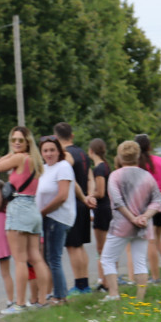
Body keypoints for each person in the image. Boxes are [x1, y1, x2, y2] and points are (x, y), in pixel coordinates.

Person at [100, 140, 161, 301]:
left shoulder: (115, 176)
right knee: (140, 261)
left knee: (107, 258)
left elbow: (117, 201)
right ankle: (140, 298)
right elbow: (157, 200)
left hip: (122, 225)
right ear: (138, 157)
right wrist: (145, 216)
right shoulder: (147, 176)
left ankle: (114, 294)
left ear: (120, 157)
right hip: (143, 225)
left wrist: (132, 218)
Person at [0, 126, 49, 313]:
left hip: (19, 207)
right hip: (33, 208)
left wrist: (10, 152)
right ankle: (42, 300)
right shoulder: (35, 161)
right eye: (13, 140)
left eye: (20, 140)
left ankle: (19, 304)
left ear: (27, 142)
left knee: (20, 260)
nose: (16, 143)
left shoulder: (19, 158)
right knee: (36, 257)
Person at [53, 122, 96, 295]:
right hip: (84, 202)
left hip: (73, 203)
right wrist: (90, 196)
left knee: (73, 247)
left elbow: (67, 177)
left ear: (56, 138)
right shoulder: (83, 154)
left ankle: (80, 285)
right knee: (80, 246)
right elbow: (90, 176)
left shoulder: (66, 156)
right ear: (72, 135)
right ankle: (84, 282)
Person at [36, 134, 76, 304]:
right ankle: (56, 293)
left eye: (52, 150)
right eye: (45, 150)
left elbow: (62, 196)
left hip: (57, 217)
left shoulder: (63, 166)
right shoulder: (44, 169)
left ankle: (60, 296)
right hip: (47, 218)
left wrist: (42, 212)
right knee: (49, 258)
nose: (49, 153)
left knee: (54, 258)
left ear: (59, 151)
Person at [135, 134, 161, 284]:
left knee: (151, 241)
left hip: (147, 204)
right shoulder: (160, 161)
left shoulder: (137, 165)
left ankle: (156, 277)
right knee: (157, 239)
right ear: (150, 146)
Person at [88, 139, 112, 291]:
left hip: (101, 209)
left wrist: (90, 196)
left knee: (101, 248)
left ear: (91, 151)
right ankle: (106, 279)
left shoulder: (99, 169)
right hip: (107, 209)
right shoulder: (106, 166)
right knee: (106, 247)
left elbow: (101, 192)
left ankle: (105, 281)